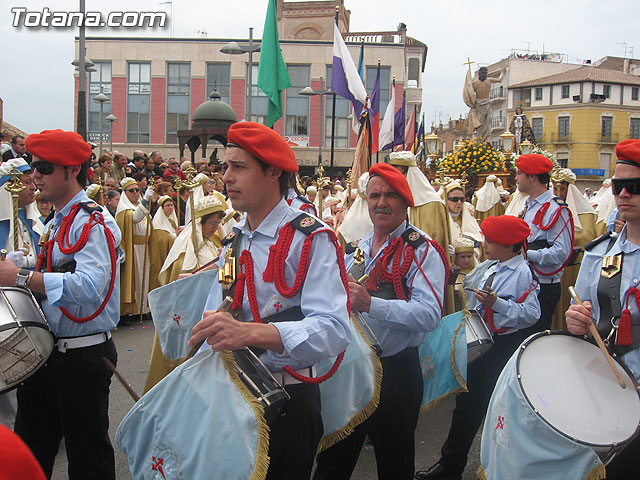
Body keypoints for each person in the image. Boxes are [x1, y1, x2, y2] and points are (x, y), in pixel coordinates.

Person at [188, 121, 350, 480]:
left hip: (289, 401)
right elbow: (218, 313)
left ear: (273, 172)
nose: (227, 177)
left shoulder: (310, 239)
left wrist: (251, 334)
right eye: (226, 166)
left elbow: (335, 330)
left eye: (239, 167)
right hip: (234, 396)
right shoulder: (234, 239)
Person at [314, 162, 448, 480]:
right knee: (334, 460)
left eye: (390, 195)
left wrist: (371, 304)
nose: (381, 202)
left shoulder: (422, 250)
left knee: (395, 463)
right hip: (352, 370)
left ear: (405, 203)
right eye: (374, 196)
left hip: (396, 373)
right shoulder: (357, 247)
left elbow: (430, 314)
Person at [0, 129, 120, 478]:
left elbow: (90, 287)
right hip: (47, 353)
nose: (35, 174)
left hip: (81, 356)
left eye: (45, 167)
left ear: (72, 170)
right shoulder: (58, 219)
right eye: (35, 166)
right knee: (29, 453)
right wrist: (22, 264)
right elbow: (54, 268)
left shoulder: (93, 221)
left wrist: (18, 278)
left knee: (88, 459)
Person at [415, 215, 540, 480]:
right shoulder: (494, 265)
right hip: (480, 338)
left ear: (509, 246)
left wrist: (498, 304)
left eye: (491, 241)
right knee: (467, 405)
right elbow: (470, 284)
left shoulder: (522, 273)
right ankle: (451, 465)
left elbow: (531, 313)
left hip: (502, 346)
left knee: (496, 408)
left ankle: (496, 467)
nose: (485, 244)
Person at [565, 139, 640, 479]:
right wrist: (576, 321)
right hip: (608, 387)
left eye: (634, 187)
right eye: (620, 185)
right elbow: (580, 311)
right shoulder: (600, 254)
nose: (622, 194)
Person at [143, 195, 226, 393]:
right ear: (200, 223)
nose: (216, 227)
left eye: (218, 223)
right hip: (189, 313)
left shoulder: (210, 243)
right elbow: (180, 286)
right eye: (212, 223)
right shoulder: (184, 254)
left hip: (206, 308)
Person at [515, 153, 573, 336]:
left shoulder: (556, 208)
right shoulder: (529, 205)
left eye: (519, 173)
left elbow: (562, 252)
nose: (516, 178)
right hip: (527, 280)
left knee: (535, 338)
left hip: (543, 285)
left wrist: (526, 254)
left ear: (532, 176)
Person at [550, 168, 597, 330]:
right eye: (554, 188)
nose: (558, 192)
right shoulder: (551, 209)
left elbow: (587, 238)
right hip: (553, 269)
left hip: (574, 269)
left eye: (561, 189)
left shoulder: (585, 213)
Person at [115, 177, 154, 322]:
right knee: (135, 279)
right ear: (125, 193)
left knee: (144, 278)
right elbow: (136, 218)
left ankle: (143, 308)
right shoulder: (124, 210)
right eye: (132, 191)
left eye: (138, 190)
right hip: (133, 249)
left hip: (145, 248)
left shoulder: (138, 206)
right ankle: (131, 310)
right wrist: (146, 199)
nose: (136, 193)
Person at [149, 195, 179, 292]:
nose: (170, 207)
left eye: (172, 205)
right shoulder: (158, 224)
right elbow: (161, 241)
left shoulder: (171, 222)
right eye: (167, 205)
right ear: (162, 208)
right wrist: (174, 235)